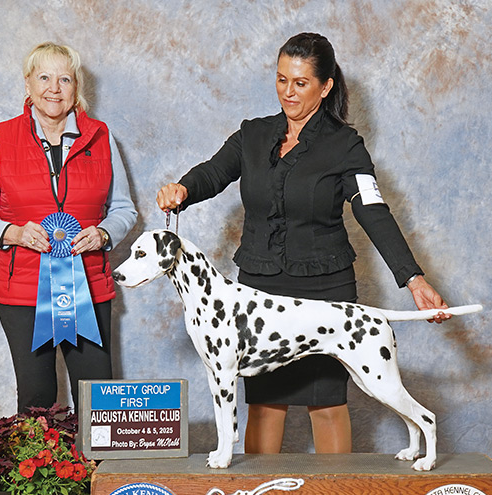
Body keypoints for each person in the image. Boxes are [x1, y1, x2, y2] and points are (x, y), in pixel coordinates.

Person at [156, 32, 448, 457]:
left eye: (300, 83)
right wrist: (183, 188)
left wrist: (413, 279)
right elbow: (213, 172)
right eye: (281, 80)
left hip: (324, 289)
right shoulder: (253, 134)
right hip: (260, 290)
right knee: (264, 407)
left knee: (326, 405)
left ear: (325, 86)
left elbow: (373, 212)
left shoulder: (345, 146)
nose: (287, 92)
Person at [0, 42, 137, 414]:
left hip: (89, 290)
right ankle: (40, 457)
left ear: (76, 88)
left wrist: (103, 234)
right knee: (36, 401)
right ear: (28, 84)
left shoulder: (101, 136)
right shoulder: (0, 137)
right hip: (22, 294)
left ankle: (93, 456)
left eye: (64, 79)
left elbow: (124, 209)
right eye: (44, 78)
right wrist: (15, 233)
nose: (54, 89)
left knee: (98, 403)